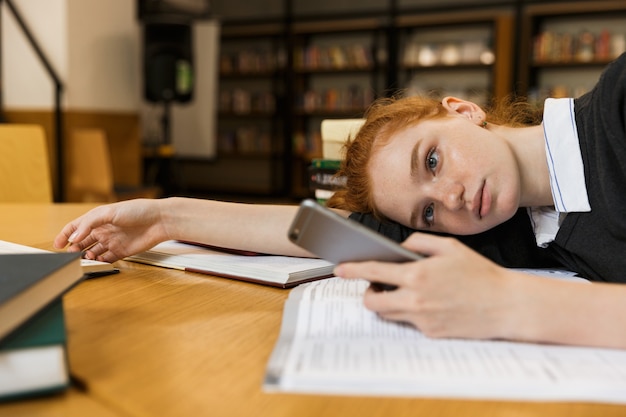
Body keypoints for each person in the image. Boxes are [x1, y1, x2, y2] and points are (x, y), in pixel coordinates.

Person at [55, 53, 626, 350]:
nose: (448, 197)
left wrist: (510, 302)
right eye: (426, 214)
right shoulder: (505, 227)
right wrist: (161, 215)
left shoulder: (618, 108)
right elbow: (317, 228)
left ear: (461, 109)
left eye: (430, 159)